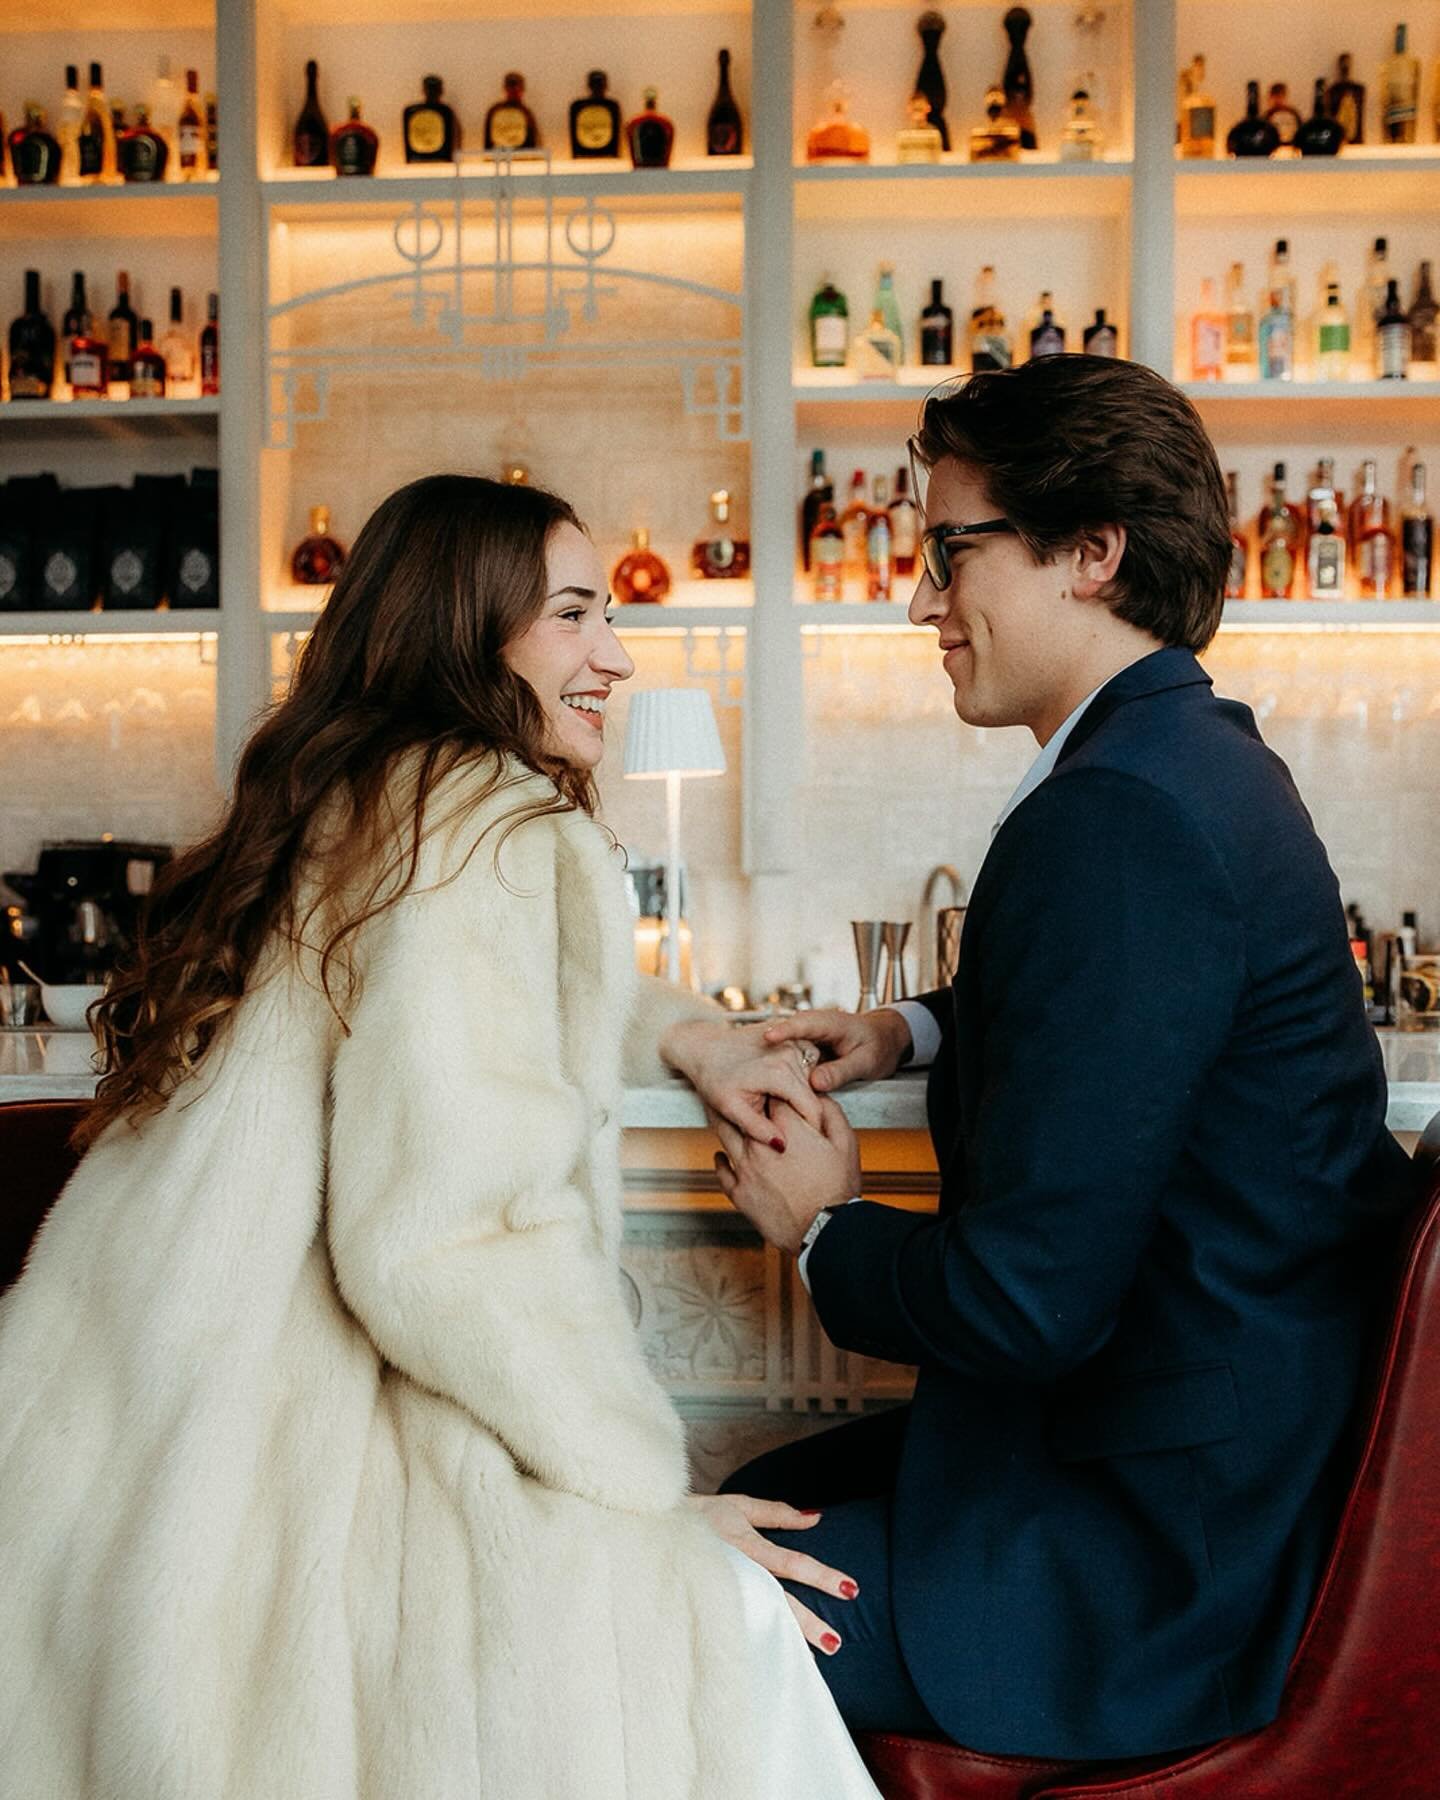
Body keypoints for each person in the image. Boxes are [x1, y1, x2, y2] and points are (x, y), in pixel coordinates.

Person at [0, 475, 882, 1800]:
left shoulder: (362, 799)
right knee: (714, 1640)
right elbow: (445, 1246)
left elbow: (461, 1001)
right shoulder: (492, 833)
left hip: (117, 1435)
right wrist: (644, 1492)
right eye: (575, 614)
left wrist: (689, 1037)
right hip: (280, 1456)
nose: (619, 652)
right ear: (471, 636)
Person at [712, 357, 1420, 1763]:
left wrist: (822, 1231)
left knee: (679, 1609)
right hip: (1213, 1468)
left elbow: (1029, 1305)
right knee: (764, 1494)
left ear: (1090, 551)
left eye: (951, 549)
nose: (922, 600)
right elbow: (1120, 1007)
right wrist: (907, 1026)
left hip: (1165, 1561)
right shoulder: (1185, 764)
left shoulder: (1120, 818)